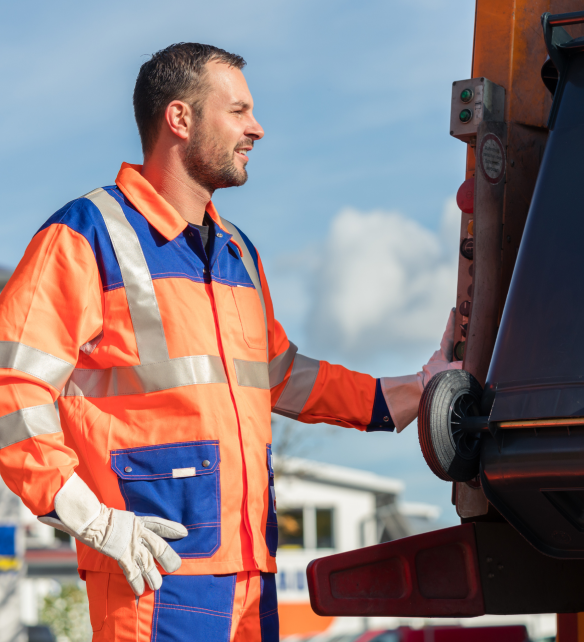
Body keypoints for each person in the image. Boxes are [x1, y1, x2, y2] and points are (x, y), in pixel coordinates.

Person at [0, 43, 460, 642]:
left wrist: (415, 391)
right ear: (180, 119)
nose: (257, 128)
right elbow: (13, 389)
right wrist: (90, 518)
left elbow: (282, 375)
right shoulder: (84, 237)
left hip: (252, 574)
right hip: (153, 574)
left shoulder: (238, 251)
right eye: (238, 111)